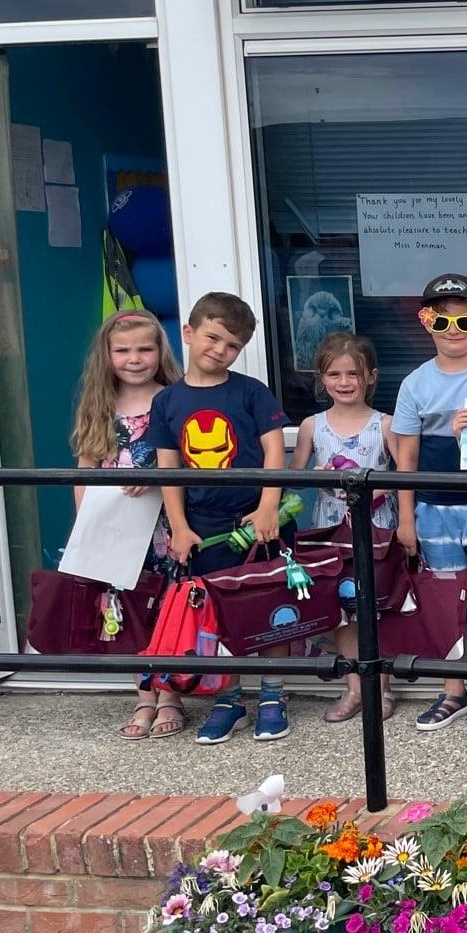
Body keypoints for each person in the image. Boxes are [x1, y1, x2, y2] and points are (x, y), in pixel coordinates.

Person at [146, 292, 291, 744]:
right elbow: (168, 468)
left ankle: (273, 694)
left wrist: (269, 506)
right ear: (188, 333)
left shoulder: (252, 392)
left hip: (257, 518)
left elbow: (273, 450)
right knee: (216, 613)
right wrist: (179, 526)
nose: (219, 350)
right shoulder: (167, 401)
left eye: (231, 345)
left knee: (269, 609)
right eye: (212, 337)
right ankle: (229, 699)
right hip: (202, 523)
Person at [386, 273, 467, 732]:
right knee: (444, 599)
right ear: (426, 324)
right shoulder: (414, 384)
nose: (453, 330)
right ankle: (453, 689)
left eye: (465, 321)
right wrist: (406, 516)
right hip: (434, 507)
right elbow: (405, 454)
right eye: (441, 321)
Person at [71, 310, 183, 738]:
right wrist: (86, 527)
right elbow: (84, 468)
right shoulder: (99, 405)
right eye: (123, 350)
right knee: (129, 609)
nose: (134, 359)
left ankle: (170, 692)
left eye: (145, 349)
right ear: (107, 356)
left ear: (160, 351)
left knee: (167, 608)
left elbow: (187, 461)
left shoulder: (172, 400)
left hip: (163, 527)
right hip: (116, 529)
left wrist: (153, 478)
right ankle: (143, 694)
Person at [291, 332, 397, 724]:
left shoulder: (384, 424)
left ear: (371, 376)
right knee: (342, 609)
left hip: (376, 528)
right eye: (334, 374)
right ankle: (354, 687)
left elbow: (404, 474)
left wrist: (374, 489)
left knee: (375, 608)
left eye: (353, 373)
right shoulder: (311, 426)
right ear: (322, 378)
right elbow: (295, 475)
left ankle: (380, 688)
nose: (344, 381)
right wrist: (315, 474)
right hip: (329, 529)